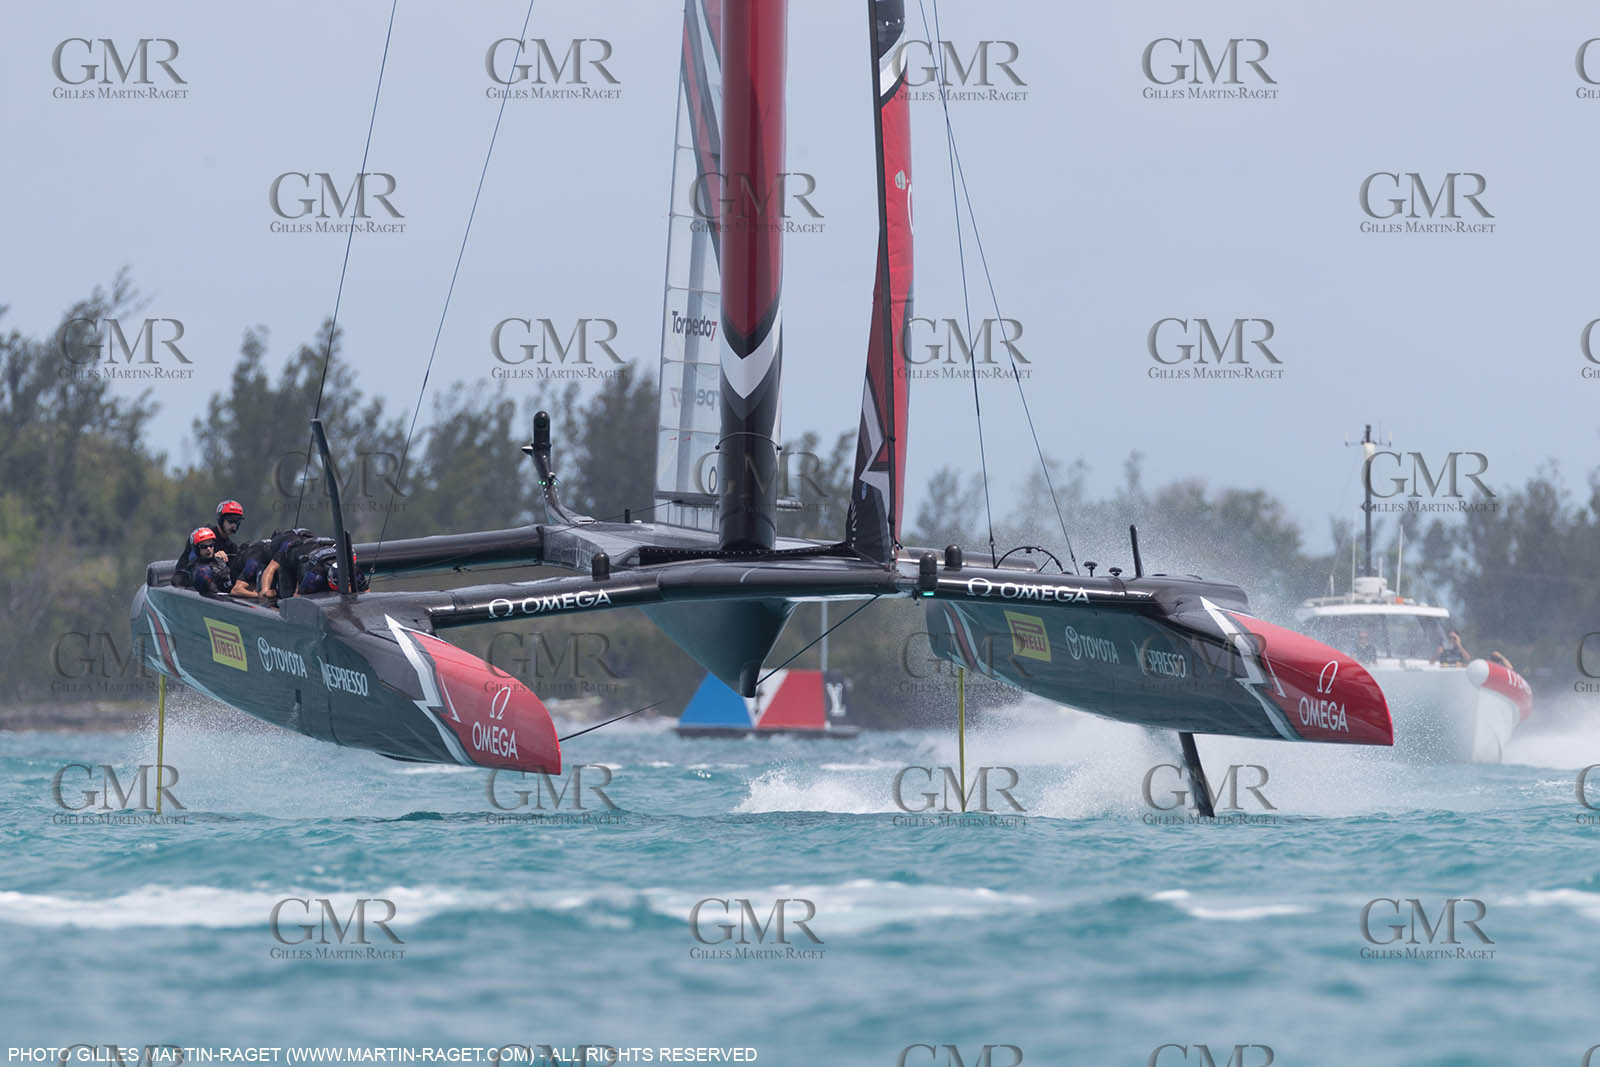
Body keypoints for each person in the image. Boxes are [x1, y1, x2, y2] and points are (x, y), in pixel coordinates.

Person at [172, 499, 245, 584]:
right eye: (230, 521)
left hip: (214, 585)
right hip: (189, 580)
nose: (234, 525)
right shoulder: (202, 535)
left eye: (237, 522)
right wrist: (213, 557)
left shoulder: (232, 547)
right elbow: (192, 561)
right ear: (221, 520)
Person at [183, 528, 231, 598]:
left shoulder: (220, 560)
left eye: (211, 545)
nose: (208, 549)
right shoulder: (194, 568)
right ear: (197, 549)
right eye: (204, 546)